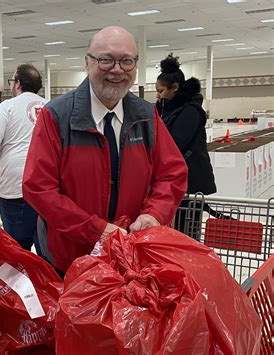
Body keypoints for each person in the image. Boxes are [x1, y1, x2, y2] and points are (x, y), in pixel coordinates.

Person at [22, 26, 188, 275]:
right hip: (68, 262)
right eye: (106, 60)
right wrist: (95, 230)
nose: (117, 69)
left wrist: (154, 215)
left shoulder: (146, 116)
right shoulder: (57, 116)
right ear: (87, 62)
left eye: (126, 61)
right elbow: (38, 187)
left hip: (127, 258)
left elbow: (172, 173)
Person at [0, 64, 47, 254]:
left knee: (17, 251)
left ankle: (23, 282)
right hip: (49, 190)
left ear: (18, 84)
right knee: (47, 249)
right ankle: (49, 282)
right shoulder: (50, 106)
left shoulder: (8, 106)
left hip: (17, 190)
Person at [155, 54, 218, 239]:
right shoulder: (169, 107)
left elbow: (176, 143)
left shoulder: (190, 111)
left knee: (187, 231)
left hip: (191, 180)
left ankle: (188, 264)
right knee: (175, 230)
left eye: (161, 91)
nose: (158, 95)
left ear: (175, 88)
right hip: (177, 178)